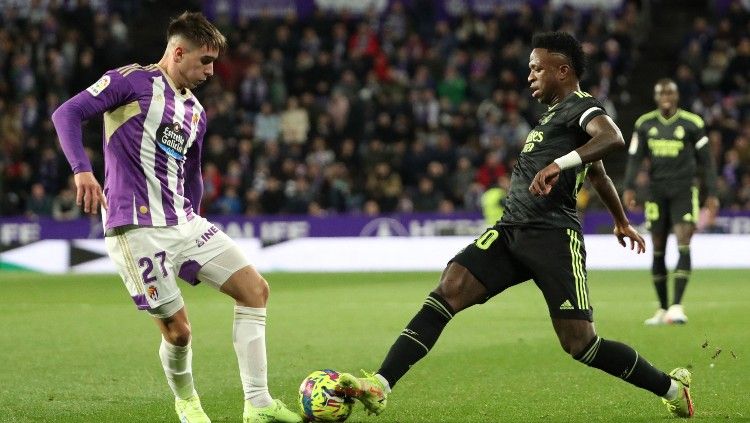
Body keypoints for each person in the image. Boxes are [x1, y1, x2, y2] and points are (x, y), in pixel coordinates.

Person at [337, 32, 694, 419]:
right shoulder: (554, 116)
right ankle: (381, 384)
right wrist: (621, 220)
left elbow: (612, 138)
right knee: (448, 288)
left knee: (581, 345)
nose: (530, 76)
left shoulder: (583, 106)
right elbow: (599, 175)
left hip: (554, 236)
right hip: (511, 231)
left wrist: (559, 165)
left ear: (563, 70)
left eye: (537, 68)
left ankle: (672, 388)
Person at [51, 12, 301, 423]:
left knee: (255, 289)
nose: (211, 71)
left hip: (184, 223)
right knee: (179, 332)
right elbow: (67, 113)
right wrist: (82, 169)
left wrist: (196, 227)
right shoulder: (129, 82)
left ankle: (258, 405)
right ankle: (187, 402)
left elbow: (193, 172)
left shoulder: (196, 112)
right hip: (136, 228)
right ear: (178, 51)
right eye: (205, 61)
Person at [623, 78, 718, 326]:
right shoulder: (644, 124)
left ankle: (676, 306)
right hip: (656, 191)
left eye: (670, 92)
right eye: (661, 92)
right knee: (657, 247)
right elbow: (634, 157)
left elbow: (707, 161)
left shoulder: (692, 123)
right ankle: (663, 308)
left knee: (684, 241)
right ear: (656, 97)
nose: (666, 95)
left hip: (684, 190)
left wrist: (712, 193)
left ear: (677, 96)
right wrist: (629, 186)